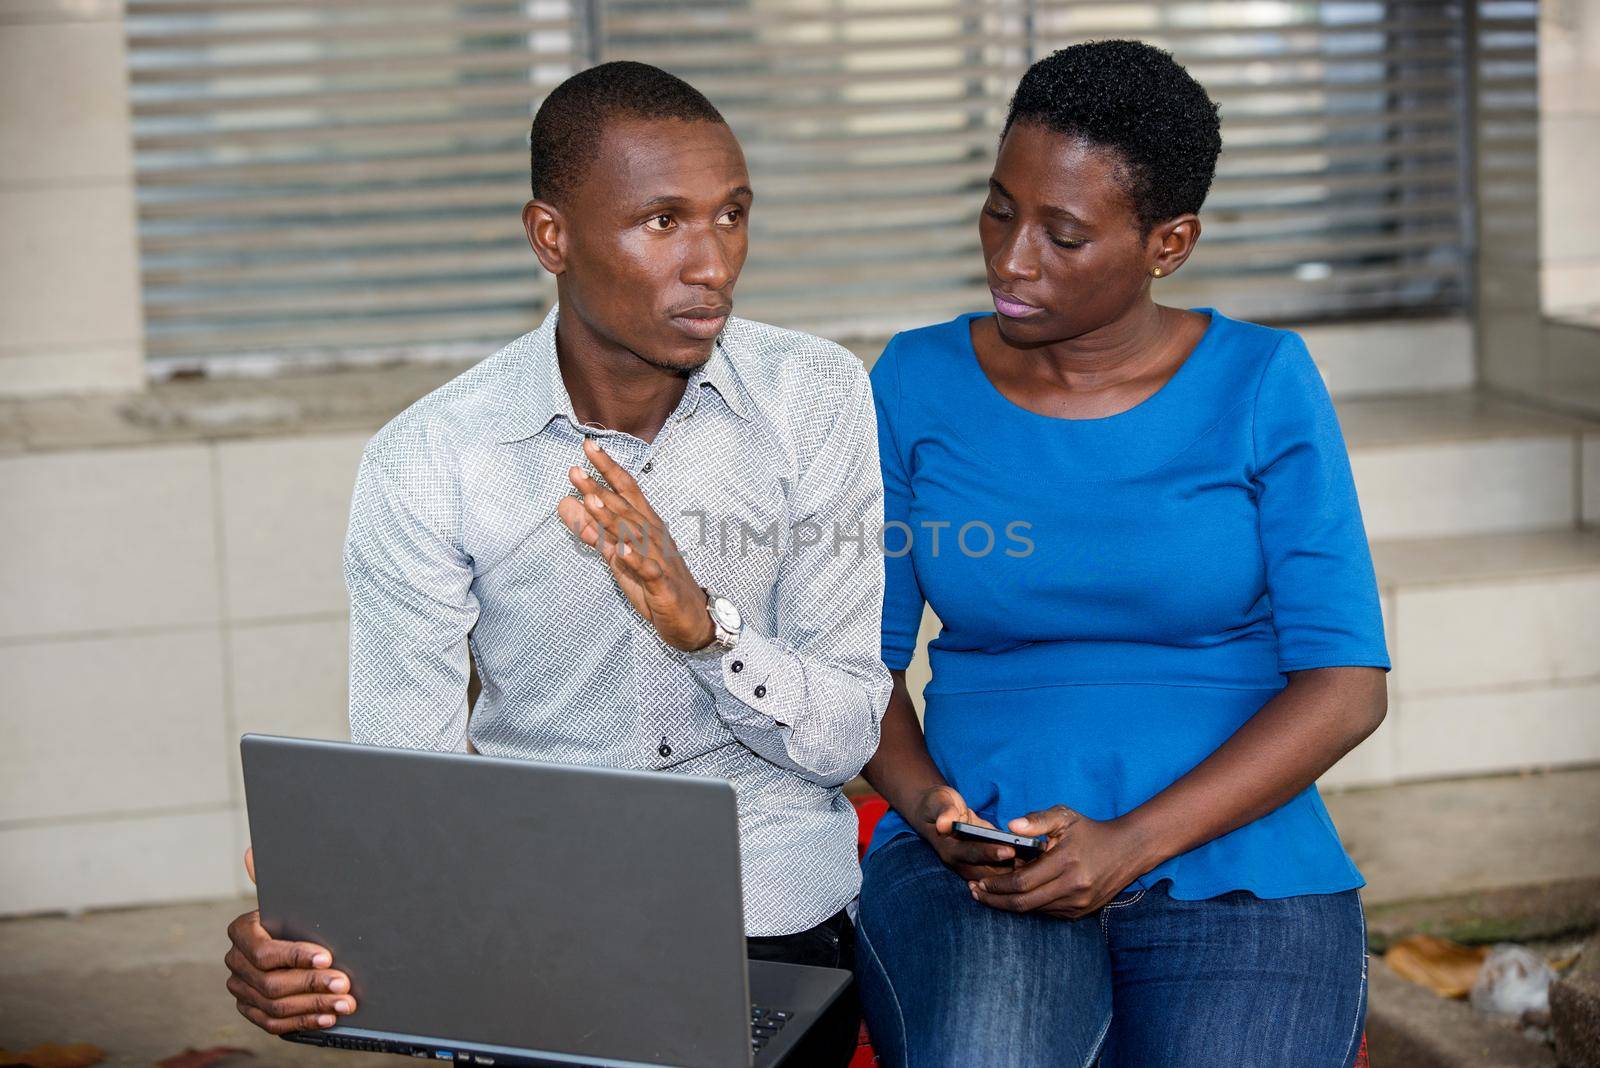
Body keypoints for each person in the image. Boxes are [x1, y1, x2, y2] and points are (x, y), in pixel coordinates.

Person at [222, 61, 889, 1068]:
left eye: (731, 216)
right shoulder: (434, 457)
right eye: (663, 222)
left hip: (770, 923)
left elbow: (845, 734)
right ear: (552, 236)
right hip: (537, 933)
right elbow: (415, 782)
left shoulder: (814, 397)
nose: (711, 262)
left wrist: (707, 634)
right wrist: (329, 953)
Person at [855, 40, 1389, 1068]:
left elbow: (1345, 685)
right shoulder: (915, 382)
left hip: (1241, 859)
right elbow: (858, 661)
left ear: (1168, 242)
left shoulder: (1261, 380)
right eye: (1000, 210)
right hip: (984, 856)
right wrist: (930, 810)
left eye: (1062, 234)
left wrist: (1132, 841)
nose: (1011, 259)